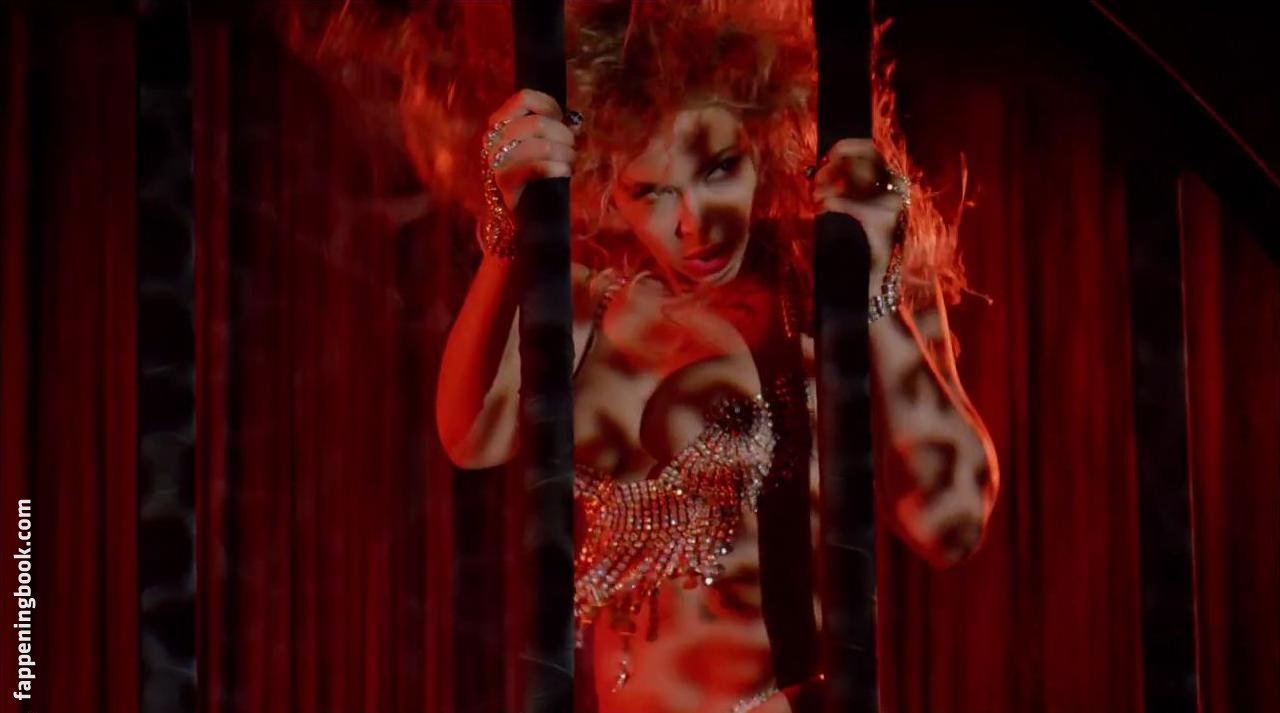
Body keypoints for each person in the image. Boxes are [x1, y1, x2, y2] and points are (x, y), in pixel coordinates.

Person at [436, 4, 998, 711]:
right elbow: (471, 438)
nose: (693, 223)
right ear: (607, 181)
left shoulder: (829, 277)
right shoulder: (584, 303)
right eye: (652, 191)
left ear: (763, 138)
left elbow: (950, 525)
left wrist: (875, 298)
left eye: (720, 170)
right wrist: (506, 240)